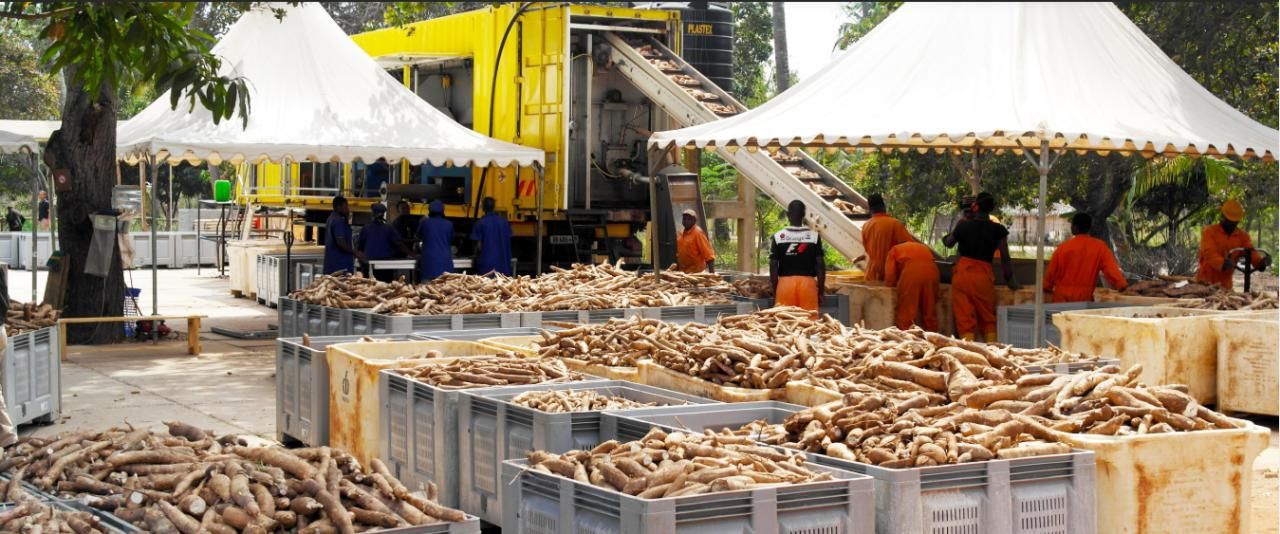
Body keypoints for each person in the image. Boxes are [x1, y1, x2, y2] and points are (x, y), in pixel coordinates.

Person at [943, 192, 1018, 342]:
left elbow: (949, 243)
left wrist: (956, 227)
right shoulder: (998, 229)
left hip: (962, 276)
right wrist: (1010, 280)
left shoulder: (963, 225)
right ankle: (992, 351)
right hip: (983, 277)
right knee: (988, 319)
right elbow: (1005, 257)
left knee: (964, 320)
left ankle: (969, 353)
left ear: (975, 206)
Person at [1043, 213, 1128, 302]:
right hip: (1083, 300)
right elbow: (1111, 270)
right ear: (1089, 227)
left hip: (1061, 299)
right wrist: (1122, 285)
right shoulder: (1100, 247)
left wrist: (1046, 287)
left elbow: (1051, 273)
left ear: (1075, 227)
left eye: (1072, 224)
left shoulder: (1063, 248)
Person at [1196, 199, 1270, 290]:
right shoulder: (1210, 232)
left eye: (1235, 222)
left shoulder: (1243, 236)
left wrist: (1261, 263)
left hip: (1225, 286)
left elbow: (1251, 253)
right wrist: (1223, 263)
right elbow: (1209, 253)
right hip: (1205, 284)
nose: (1232, 224)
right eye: (1229, 221)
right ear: (1223, 216)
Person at [770, 200, 826, 312]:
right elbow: (820, 265)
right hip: (808, 285)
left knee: (784, 322)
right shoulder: (814, 237)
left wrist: (776, 289)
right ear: (803, 215)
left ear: (788, 215)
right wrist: (820, 291)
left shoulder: (778, 237)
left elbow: (773, 265)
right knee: (810, 324)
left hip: (785, 284)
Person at [884, 241, 940, 331]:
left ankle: (905, 338)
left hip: (912, 272)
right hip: (932, 271)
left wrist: (892, 286)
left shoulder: (894, 250)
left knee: (907, 312)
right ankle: (933, 338)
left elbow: (890, 275)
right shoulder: (922, 247)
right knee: (930, 310)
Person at [860, 193, 913, 282]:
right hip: (891, 273)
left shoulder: (866, 226)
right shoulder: (895, 224)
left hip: (872, 273)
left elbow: (867, 249)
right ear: (884, 208)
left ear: (870, 210)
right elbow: (909, 247)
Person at [356, 204, 412, 282]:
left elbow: (360, 247)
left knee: (369, 288)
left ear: (372, 213)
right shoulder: (389, 228)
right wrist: (411, 254)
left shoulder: (366, 228)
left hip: (370, 264)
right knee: (386, 289)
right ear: (383, 214)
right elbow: (399, 244)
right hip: (386, 265)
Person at [471, 197, 514, 276]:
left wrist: (475, 257)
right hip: (503, 266)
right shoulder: (505, 222)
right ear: (494, 207)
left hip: (487, 267)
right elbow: (508, 241)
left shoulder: (480, 223)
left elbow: (478, 246)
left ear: (483, 208)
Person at [417, 200, 455, 281]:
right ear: (443, 211)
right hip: (445, 262)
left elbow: (418, 236)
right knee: (446, 291)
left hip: (428, 263)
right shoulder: (449, 224)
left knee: (427, 290)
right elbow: (451, 240)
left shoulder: (424, 223)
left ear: (429, 210)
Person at [322, 196, 356, 275]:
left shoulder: (331, 218)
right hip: (340, 265)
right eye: (346, 206)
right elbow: (341, 242)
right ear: (338, 207)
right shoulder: (338, 222)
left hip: (332, 265)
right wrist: (354, 252)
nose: (348, 209)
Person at [675, 209, 715, 273]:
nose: (686, 221)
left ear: (694, 221)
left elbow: (708, 255)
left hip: (697, 271)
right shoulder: (680, 233)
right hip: (683, 272)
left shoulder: (698, 233)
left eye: (689, 219)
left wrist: (712, 274)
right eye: (684, 219)